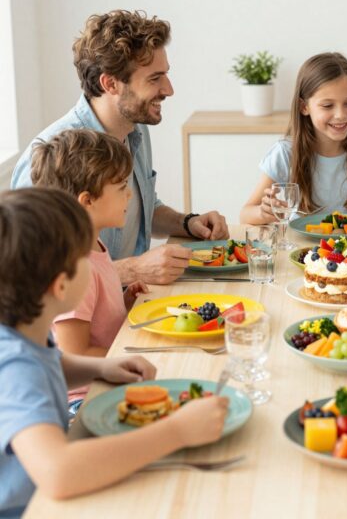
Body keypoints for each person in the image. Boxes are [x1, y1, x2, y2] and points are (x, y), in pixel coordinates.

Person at [0, 188, 229, 518]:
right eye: (85, 257)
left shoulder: (23, 327)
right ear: (61, 286)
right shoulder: (14, 364)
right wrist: (176, 432)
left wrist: (100, 369)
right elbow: (59, 472)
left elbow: (49, 366)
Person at [10, 10, 228, 285]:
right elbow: (34, 274)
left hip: (126, 304)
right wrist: (132, 270)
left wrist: (186, 222)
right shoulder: (51, 157)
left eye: (166, 75)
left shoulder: (136, 128)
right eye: (154, 78)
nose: (169, 89)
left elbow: (142, 207)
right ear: (110, 83)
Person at [30, 128, 148, 412]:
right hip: (84, 397)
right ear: (88, 201)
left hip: (108, 376)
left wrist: (123, 303)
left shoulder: (94, 244)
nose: (129, 195)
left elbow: (95, 321)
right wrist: (131, 350)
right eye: (121, 187)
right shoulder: (75, 265)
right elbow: (74, 350)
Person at [241, 52, 347, 224]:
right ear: (304, 107)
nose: (340, 115)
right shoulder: (286, 153)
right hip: (303, 250)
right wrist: (264, 213)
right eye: (327, 105)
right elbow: (245, 214)